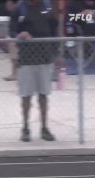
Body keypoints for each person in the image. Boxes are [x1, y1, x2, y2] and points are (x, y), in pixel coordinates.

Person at [9, 0, 58, 142]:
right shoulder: (19, 8)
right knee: (26, 95)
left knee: (43, 95)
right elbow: (11, 31)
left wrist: (57, 53)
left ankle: (44, 128)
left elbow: (54, 30)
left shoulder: (48, 6)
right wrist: (20, 35)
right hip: (26, 58)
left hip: (45, 57)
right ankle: (25, 128)